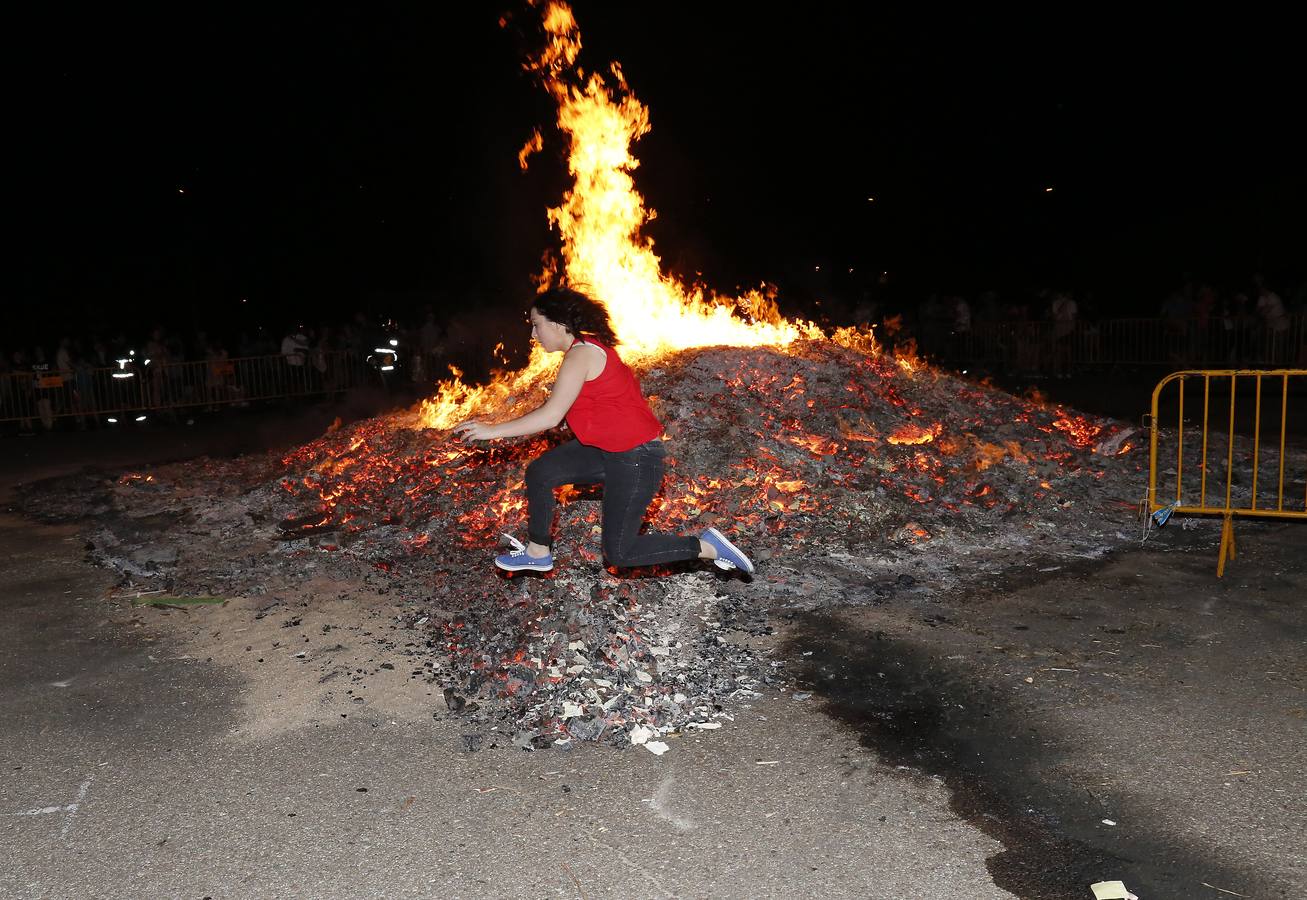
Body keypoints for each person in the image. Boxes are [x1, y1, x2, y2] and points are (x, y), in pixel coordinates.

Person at [453, 286, 754, 576]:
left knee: (620, 553)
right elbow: (560, 412)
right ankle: (536, 552)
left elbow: (551, 416)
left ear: (559, 323)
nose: (532, 334)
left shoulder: (581, 354)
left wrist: (493, 431)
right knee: (541, 472)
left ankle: (708, 547)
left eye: (536, 324)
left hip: (636, 458)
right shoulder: (583, 351)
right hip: (605, 450)